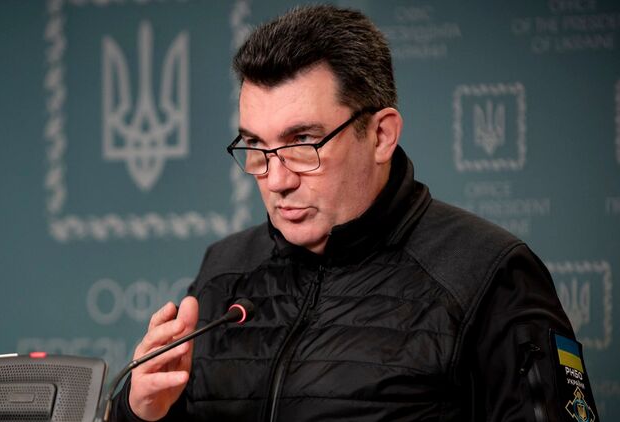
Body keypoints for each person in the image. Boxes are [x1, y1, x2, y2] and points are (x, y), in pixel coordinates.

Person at [111, 4, 599, 422]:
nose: (276, 180)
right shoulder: (223, 270)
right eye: (257, 146)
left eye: (303, 142)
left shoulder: (488, 273)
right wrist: (140, 412)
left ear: (381, 135)